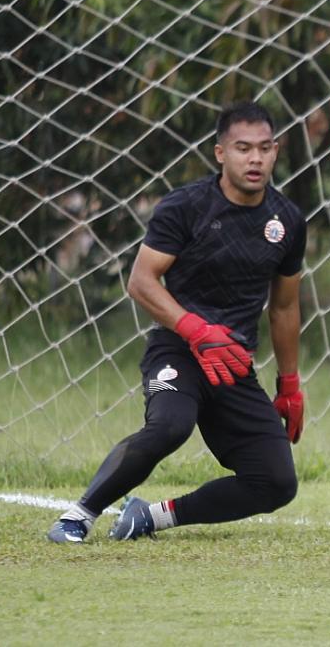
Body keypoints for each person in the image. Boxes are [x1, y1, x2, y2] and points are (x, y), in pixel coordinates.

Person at [47, 101, 307, 543]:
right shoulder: (186, 207)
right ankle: (78, 515)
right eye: (243, 148)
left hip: (232, 364)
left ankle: (151, 517)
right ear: (220, 153)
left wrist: (290, 383)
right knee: (170, 427)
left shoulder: (287, 221)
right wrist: (194, 330)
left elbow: (283, 308)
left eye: (265, 148)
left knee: (276, 482)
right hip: (179, 349)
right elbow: (142, 281)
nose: (256, 159)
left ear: (277, 151)